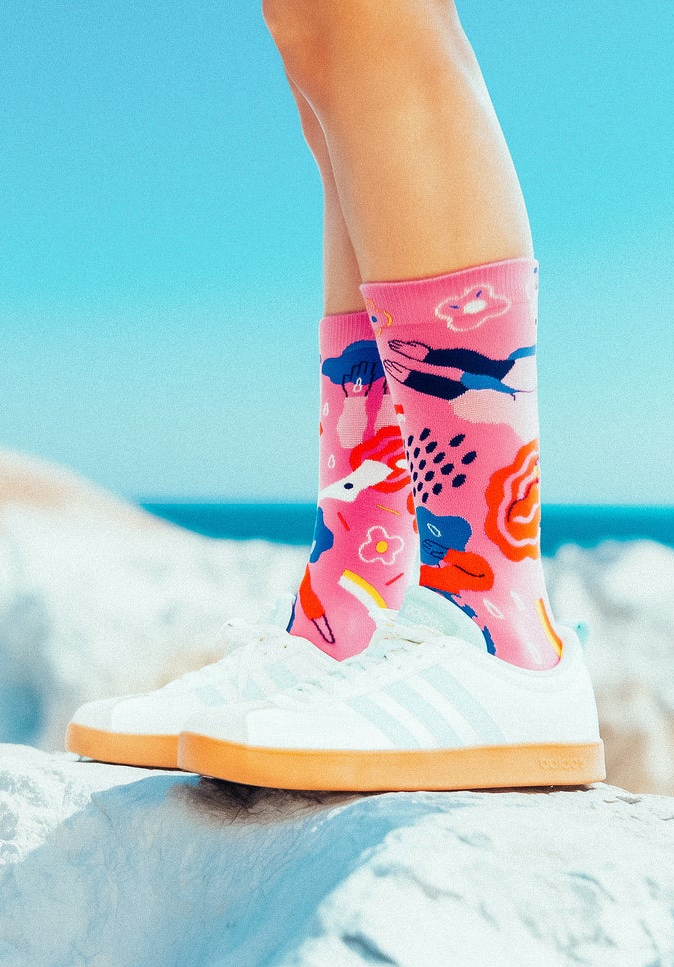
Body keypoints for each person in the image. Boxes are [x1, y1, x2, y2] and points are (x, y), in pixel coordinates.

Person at [66, 0, 602, 791]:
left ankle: (498, 629)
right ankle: (350, 616)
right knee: (313, 39)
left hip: (498, 631)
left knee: (373, 14)